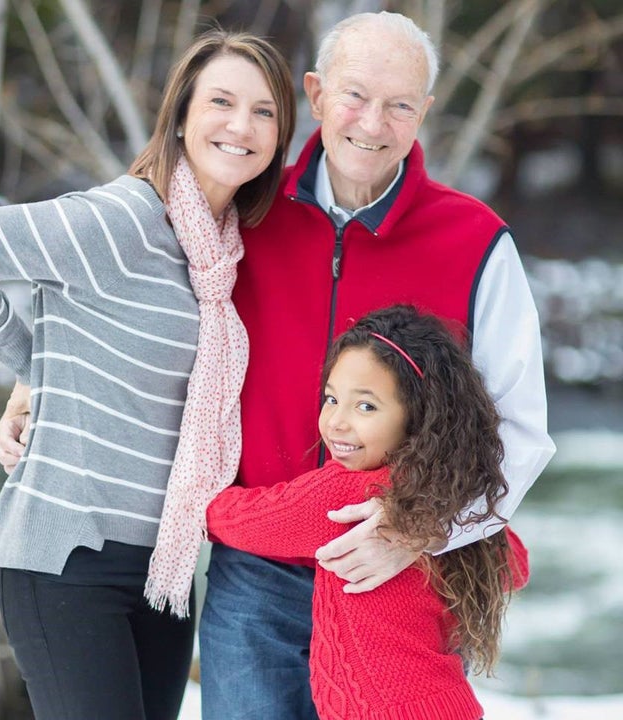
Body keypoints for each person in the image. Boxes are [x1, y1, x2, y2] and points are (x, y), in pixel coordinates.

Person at [0, 29, 295, 720]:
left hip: (163, 570)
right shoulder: (122, 220)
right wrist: (31, 366)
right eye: (223, 102)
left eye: (264, 111)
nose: (242, 125)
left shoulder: (225, 257)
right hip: (67, 558)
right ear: (180, 114)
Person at [199, 11, 555, 719]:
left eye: (400, 104)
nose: (374, 121)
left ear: (422, 112)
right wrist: (33, 376)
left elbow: (522, 431)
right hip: (257, 577)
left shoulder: (475, 241)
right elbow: (127, 297)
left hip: (399, 578)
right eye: (356, 95)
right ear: (317, 93)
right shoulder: (241, 212)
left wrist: (419, 531)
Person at [206, 304, 530, 720]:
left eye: (366, 407)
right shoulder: (453, 502)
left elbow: (239, 519)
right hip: (449, 706)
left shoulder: (349, 494)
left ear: (417, 417)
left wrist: (194, 499)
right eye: (331, 398)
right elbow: (516, 564)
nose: (337, 422)